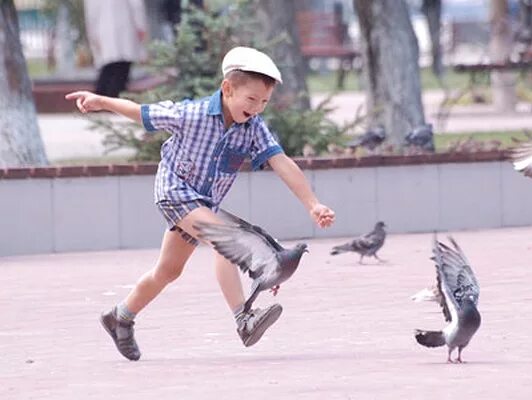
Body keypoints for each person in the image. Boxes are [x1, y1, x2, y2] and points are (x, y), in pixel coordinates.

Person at [65, 46, 335, 361]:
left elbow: (281, 161)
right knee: (225, 237)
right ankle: (243, 320)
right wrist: (100, 101)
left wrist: (312, 203)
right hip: (174, 192)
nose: (257, 108)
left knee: (167, 271)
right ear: (227, 89)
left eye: (264, 102)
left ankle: (120, 317)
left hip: (202, 204)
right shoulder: (190, 115)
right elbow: (142, 112)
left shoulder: (253, 129)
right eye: (251, 100)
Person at [83, 0, 148, 98]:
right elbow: (136, 5)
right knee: (120, 68)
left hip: (104, 30)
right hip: (124, 27)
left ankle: (102, 100)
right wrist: (140, 25)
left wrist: (92, 34)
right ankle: (111, 100)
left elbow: (91, 14)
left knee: (109, 66)